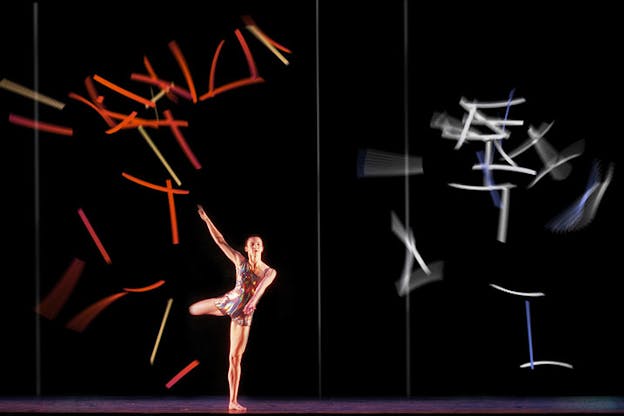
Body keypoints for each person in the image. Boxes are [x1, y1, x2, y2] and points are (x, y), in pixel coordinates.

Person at [189, 205, 277, 413]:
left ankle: (233, 401)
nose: (255, 247)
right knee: (194, 309)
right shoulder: (240, 260)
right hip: (229, 301)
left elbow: (261, 289)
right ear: (247, 248)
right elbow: (220, 241)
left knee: (235, 357)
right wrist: (206, 220)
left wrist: (252, 302)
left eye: (258, 245)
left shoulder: (269, 272)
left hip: (243, 314)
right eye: (252, 244)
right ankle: (192, 309)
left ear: (262, 249)